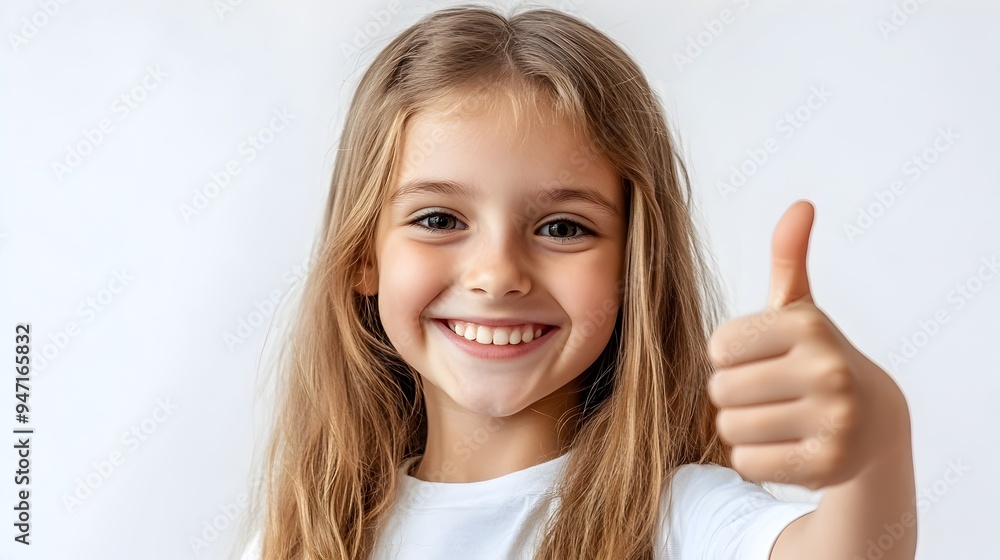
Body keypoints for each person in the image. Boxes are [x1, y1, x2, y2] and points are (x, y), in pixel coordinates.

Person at [236, 4, 917, 559]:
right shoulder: (299, 537)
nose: (498, 274)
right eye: (439, 219)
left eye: (562, 227)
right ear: (364, 255)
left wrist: (878, 441)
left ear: (633, 268)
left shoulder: (680, 520)